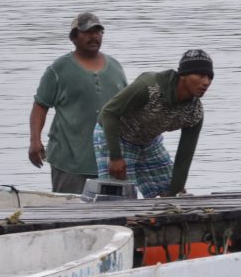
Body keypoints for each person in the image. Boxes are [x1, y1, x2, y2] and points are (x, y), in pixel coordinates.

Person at [29, 11, 129, 194]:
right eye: (87, 32)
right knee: (70, 212)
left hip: (110, 160)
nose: (94, 36)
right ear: (74, 37)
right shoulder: (58, 69)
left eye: (98, 32)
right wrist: (35, 141)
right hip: (69, 161)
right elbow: (40, 105)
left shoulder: (115, 67)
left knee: (114, 211)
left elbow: (128, 110)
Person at [94, 49, 215, 197]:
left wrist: (175, 194)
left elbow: (184, 158)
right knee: (118, 197)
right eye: (200, 75)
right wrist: (115, 157)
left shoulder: (195, 113)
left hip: (149, 141)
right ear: (183, 75)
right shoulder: (150, 87)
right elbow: (109, 113)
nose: (206, 82)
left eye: (210, 77)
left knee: (171, 192)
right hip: (116, 135)